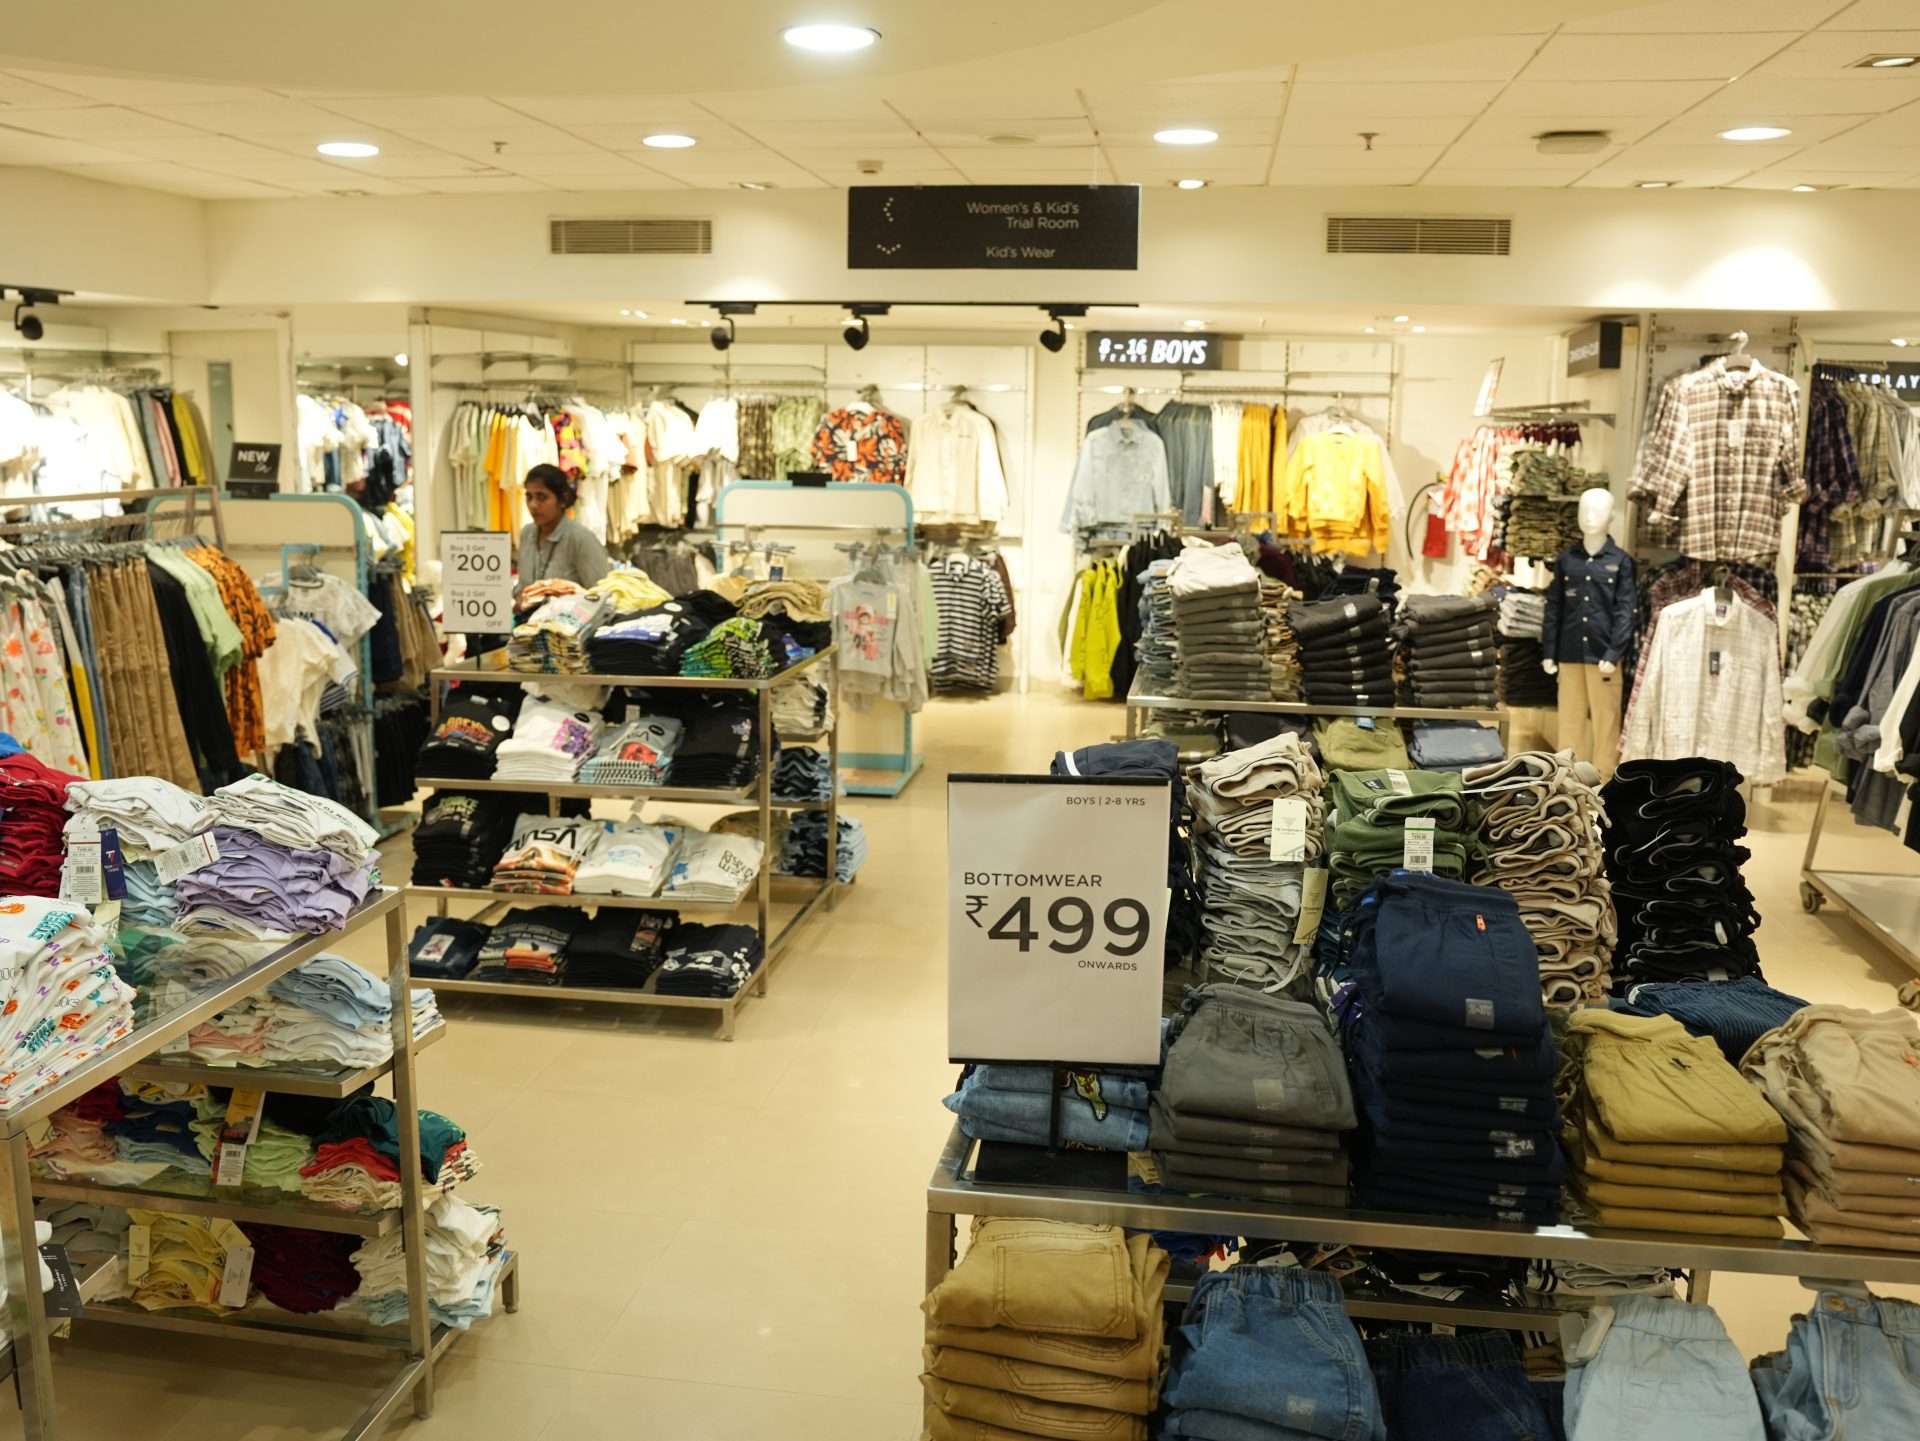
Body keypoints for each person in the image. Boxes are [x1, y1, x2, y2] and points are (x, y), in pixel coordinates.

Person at [516, 464, 611, 594]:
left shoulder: (581, 539)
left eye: (541, 497)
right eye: (529, 497)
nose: (533, 504)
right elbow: (522, 586)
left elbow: (602, 593)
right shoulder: (527, 534)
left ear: (563, 500)